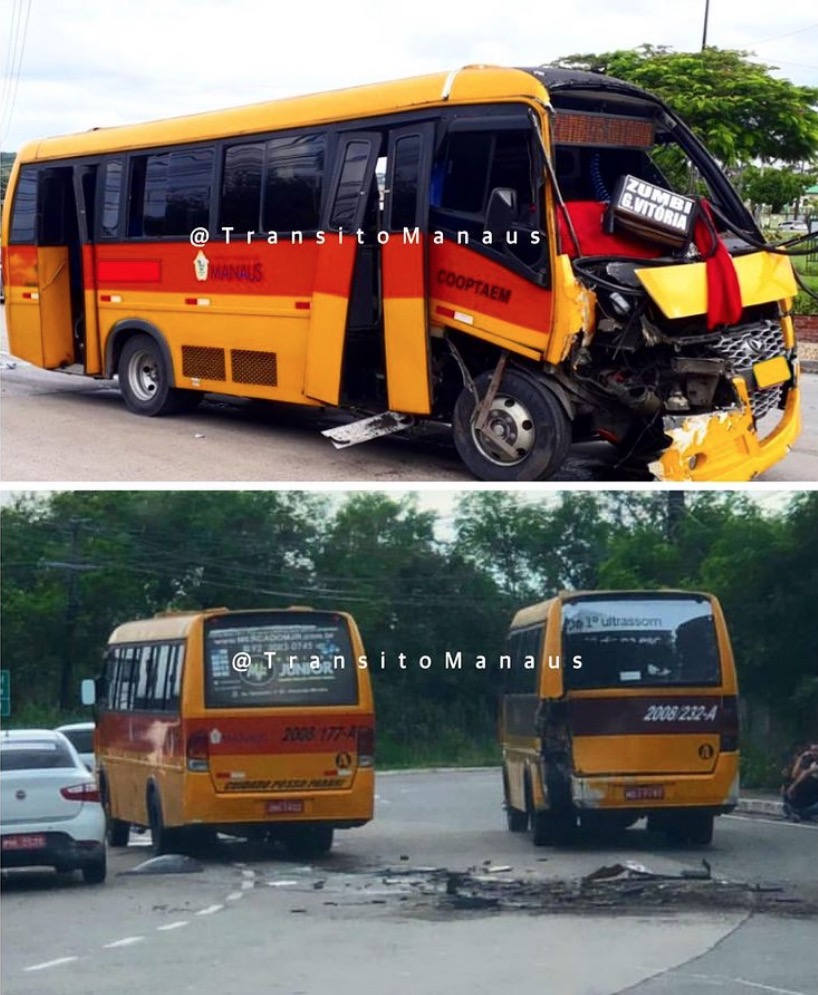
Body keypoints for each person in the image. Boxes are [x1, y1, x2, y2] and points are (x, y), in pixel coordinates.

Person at [782, 744, 818, 822]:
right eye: (812, 751)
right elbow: (794, 775)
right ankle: (793, 808)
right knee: (788, 782)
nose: (814, 753)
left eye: (816, 751)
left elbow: (807, 772)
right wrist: (801, 758)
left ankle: (797, 812)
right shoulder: (811, 762)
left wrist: (793, 786)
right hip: (811, 794)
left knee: (806, 781)